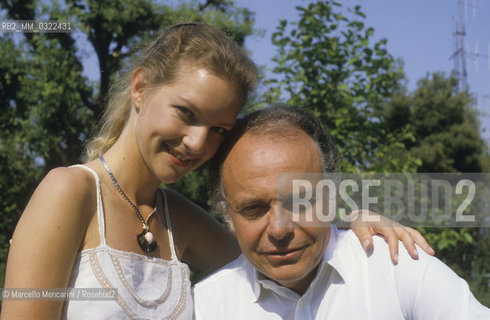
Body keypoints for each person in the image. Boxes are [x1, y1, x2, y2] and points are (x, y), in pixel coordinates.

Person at [2, 24, 432, 320]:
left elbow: (277, 253)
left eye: (218, 130)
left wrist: (353, 225)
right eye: (185, 113)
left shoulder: (179, 217)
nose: (196, 142)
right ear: (139, 87)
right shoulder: (70, 191)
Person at [194, 105, 490, 319]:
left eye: (300, 202)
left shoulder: (397, 266)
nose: (279, 229)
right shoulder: (205, 307)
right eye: (254, 209)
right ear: (227, 216)